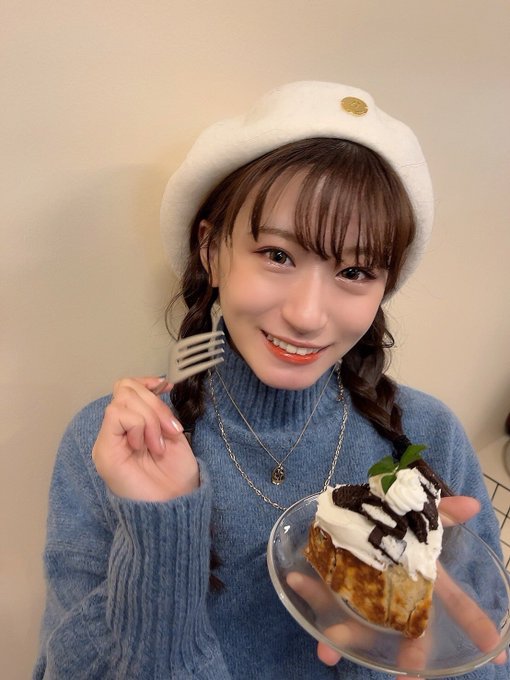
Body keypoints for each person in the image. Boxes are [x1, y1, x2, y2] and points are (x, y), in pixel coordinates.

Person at [33, 81, 509, 679]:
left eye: (355, 271)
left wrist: (392, 645)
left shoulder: (427, 435)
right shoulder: (121, 447)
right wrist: (160, 535)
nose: (307, 315)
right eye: (278, 255)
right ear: (211, 250)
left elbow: (486, 651)